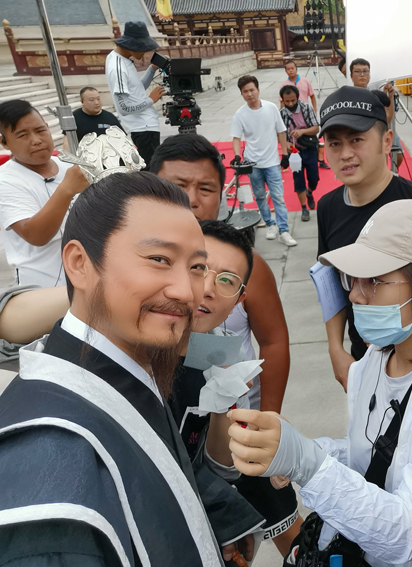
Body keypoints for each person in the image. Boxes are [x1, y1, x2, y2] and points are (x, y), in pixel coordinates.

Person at [224, 199, 412, 567]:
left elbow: (410, 536)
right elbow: (366, 454)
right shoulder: (372, 361)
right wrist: (304, 451)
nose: (355, 294)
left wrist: (309, 464)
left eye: (374, 281)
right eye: (352, 279)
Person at [0, 172, 222, 566]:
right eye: (159, 260)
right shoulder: (54, 460)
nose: (186, 292)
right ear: (79, 263)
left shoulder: (128, 369)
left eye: (196, 267)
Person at [149, 137, 302, 553]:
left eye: (206, 188)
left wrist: (267, 418)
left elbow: (273, 340)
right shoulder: (135, 272)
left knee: (270, 522)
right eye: (177, 187)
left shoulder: (245, 263)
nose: (191, 200)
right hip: (167, 447)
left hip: (229, 420)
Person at [315, 86, 412, 390]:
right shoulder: (328, 207)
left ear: (387, 141)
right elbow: (330, 282)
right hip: (364, 357)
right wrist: (335, 348)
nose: (345, 154)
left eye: (356, 140)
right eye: (334, 143)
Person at [0, 99, 89, 287]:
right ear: (4, 142)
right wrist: (67, 189)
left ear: (48, 128)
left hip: (87, 276)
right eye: (22, 135)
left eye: (40, 130)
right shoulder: (6, 180)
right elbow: (35, 235)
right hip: (42, 286)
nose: (36, 140)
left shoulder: (68, 166)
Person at [230, 75, 296, 247]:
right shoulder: (240, 114)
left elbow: (281, 132)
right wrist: (237, 155)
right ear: (241, 93)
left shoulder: (271, 108)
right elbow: (236, 138)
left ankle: (284, 230)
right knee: (259, 196)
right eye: (245, 91)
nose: (249, 94)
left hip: (272, 162)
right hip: (253, 164)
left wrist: (285, 154)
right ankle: (270, 224)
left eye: (252, 90)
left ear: (258, 89)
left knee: (278, 197)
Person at [104, 21, 163, 164]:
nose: (144, 54)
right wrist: (151, 100)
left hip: (146, 126)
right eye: (143, 49)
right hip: (143, 128)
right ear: (133, 46)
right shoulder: (117, 67)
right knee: (152, 170)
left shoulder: (122, 60)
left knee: (153, 168)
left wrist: (152, 69)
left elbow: (137, 89)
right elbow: (124, 109)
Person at [279, 84, 320, 222]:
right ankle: (304, 208)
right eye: (287, 101)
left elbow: (316, 128)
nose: (290, 104)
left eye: (293, 100)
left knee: (314, 178)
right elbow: (280, 135)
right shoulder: (281, 113)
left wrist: (302, 131)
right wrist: (287, 144)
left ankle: (310, 192)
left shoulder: (306, 107)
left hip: (310, 148)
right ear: (283, 100)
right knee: (298, 180)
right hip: (294, 153)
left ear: (297, 97)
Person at [280, 60, 330, 171]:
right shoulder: (283, 85)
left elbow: (312, 96)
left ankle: (321, 160)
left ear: (296, 68)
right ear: (285, 71)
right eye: (288, 69)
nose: (290, 71)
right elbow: (282, 102)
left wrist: (314, 110)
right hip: (290, 117)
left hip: (305, 115)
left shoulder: (305, 81)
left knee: (312, 141)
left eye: (292, 68)